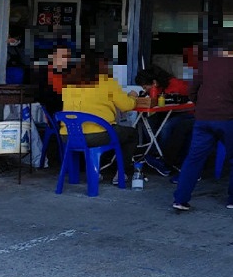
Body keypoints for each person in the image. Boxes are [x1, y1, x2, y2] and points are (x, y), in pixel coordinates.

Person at [172, 30, 233, 212]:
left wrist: (202, 105)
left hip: (203, 119)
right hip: (230, 119)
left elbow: (192, 91)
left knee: (193, 159)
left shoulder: (204, 64)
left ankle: (180, 199)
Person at [60, 53, 140, 183]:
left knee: (105, 134)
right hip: (96, 135)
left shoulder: (70, 84)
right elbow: (126, 106)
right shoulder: (107, 82)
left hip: (68, 136)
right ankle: (121, 173)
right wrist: (133, 97)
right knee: (131, 134)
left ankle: (94, 172)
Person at [135, 65, 192, 176]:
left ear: (154, 82)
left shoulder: (175, 84)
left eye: (145, 87)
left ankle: (162, 157)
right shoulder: (156, 88)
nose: (144, 90)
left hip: (186, 113)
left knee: (167, 126)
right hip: (168, 113)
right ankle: (154, 152)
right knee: (148, 122)